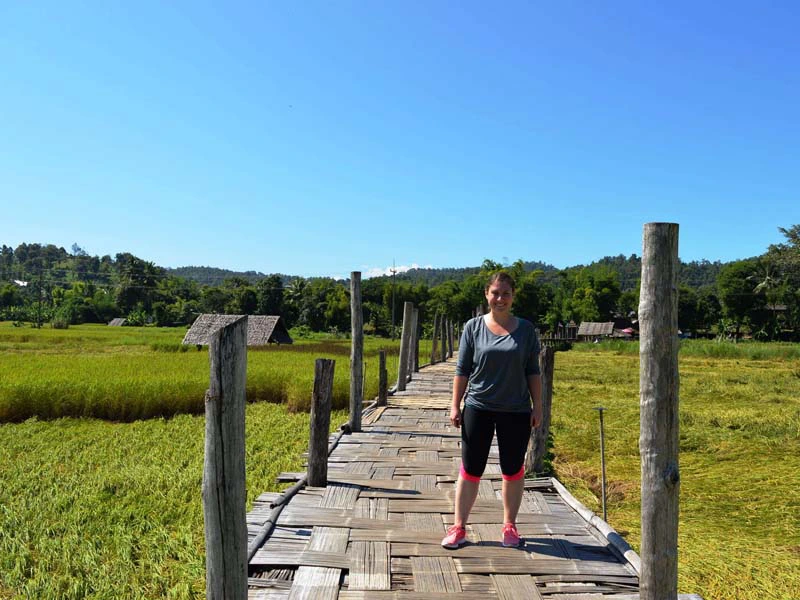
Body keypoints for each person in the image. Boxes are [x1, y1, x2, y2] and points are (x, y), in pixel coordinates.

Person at [441, 271, 542, 549]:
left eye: (506, 294)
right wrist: (455, 404)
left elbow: (533, 371)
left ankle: (510, 526)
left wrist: (538, 407)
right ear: (487, 294)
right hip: (478, 407)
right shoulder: (473, 327)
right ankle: (459, 527)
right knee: (471, 468)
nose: (500, 299)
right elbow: (462, 370)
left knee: (512, 469)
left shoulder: (526, 330)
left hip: (517, 410)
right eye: (495, 293)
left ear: (513, 296)